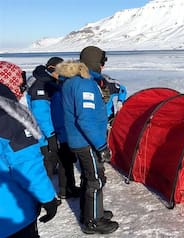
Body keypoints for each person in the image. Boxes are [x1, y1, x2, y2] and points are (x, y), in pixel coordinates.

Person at [57, 46, 118, 234]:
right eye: (102, 62)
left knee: (88, 177)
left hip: (80, 139)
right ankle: (93, 221)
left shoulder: (74, 81)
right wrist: (101, 146)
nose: (103, 66)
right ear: (95, 62)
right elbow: (86, 119)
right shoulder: (84, 84)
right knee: (96, 179)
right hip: (87, 141)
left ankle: (90, 211)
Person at [0, 61, 58, 237]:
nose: (22, 87)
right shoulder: (10, 115)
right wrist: (48, 199)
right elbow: (27, 166)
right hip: (12, 214)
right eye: (19, 82)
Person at [26, 57, 80, 201]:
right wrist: (50, 135)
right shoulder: (41, 85)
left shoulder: (49, 82)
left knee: (65, 159)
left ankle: (67, 189)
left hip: (57, 130)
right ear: (51, 69)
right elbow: (40, 113)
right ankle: (47, 197)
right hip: (45, 134)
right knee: (47, 164)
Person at [80, 46, 127, 124]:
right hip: (90, 124)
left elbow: (122, 89)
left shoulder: (107, 82)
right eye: (102, 64)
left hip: (107, 120)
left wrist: (120, 101)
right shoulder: (79, 84)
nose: (103, 67)